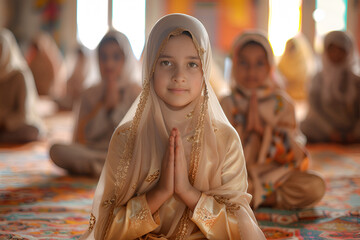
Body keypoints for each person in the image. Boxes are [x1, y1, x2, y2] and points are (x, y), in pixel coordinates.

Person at [81, 14, 265, 239]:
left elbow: (241, 228)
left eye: (192, 64)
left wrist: (189, 194)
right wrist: (159, 194)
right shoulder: (127, 137)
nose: (179, 76)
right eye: (166, 63)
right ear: (150, 67)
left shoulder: (225, 139)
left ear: (205, 69)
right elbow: (105, 228)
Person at [220, 31, 325, 210]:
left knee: (315, 186)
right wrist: (241, 131)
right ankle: (260, 198)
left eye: (259, 63)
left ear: (270, 66)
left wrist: (263, 131)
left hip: (275, 175)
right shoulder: (226, 103)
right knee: (211, 185)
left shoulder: (282, 104)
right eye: (243, 62)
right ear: (234, 65)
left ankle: (256, 199)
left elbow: (295, 153)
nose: (251, 70)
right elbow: (216, 151)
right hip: (238, 176)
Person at [49, 30, 141, 178]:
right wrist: (104, 108)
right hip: (92, 152)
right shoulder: (89, 93)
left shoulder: (137, 93)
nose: (109, 64)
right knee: (56, 150)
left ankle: (102, 169)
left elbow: (136, 139)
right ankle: (107, 169)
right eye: (103, 57)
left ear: (126, 59)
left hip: (124, 155)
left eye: (116, 57)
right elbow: (81, 137)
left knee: (143, 159)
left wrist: (115, 108)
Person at [300, 31, 360, 143]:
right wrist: (330, 131)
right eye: (332, 49)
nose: (336, 54)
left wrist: (354, 133)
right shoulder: (317, 78)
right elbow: (314, 110)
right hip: (325, 128)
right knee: (304, 127)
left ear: (349, 52)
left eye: (341, 50)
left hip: (350, 127)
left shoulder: (356, 81)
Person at [0, 28, 43, 143]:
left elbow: (23, 115)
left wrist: (4, 122)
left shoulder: (20, 75)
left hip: (13, 126)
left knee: (33, 131)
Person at [26, 32, 67, 99]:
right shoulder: (32, 57)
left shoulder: (52, 59)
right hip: (35, 91)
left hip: (49, 93)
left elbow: (57, 78)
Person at [278, 34, 317, 100]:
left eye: (293, 47)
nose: (291, 50)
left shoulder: (306, 65)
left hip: (303, 99)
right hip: (285, 97)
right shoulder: (283, 62)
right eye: (290, 47)